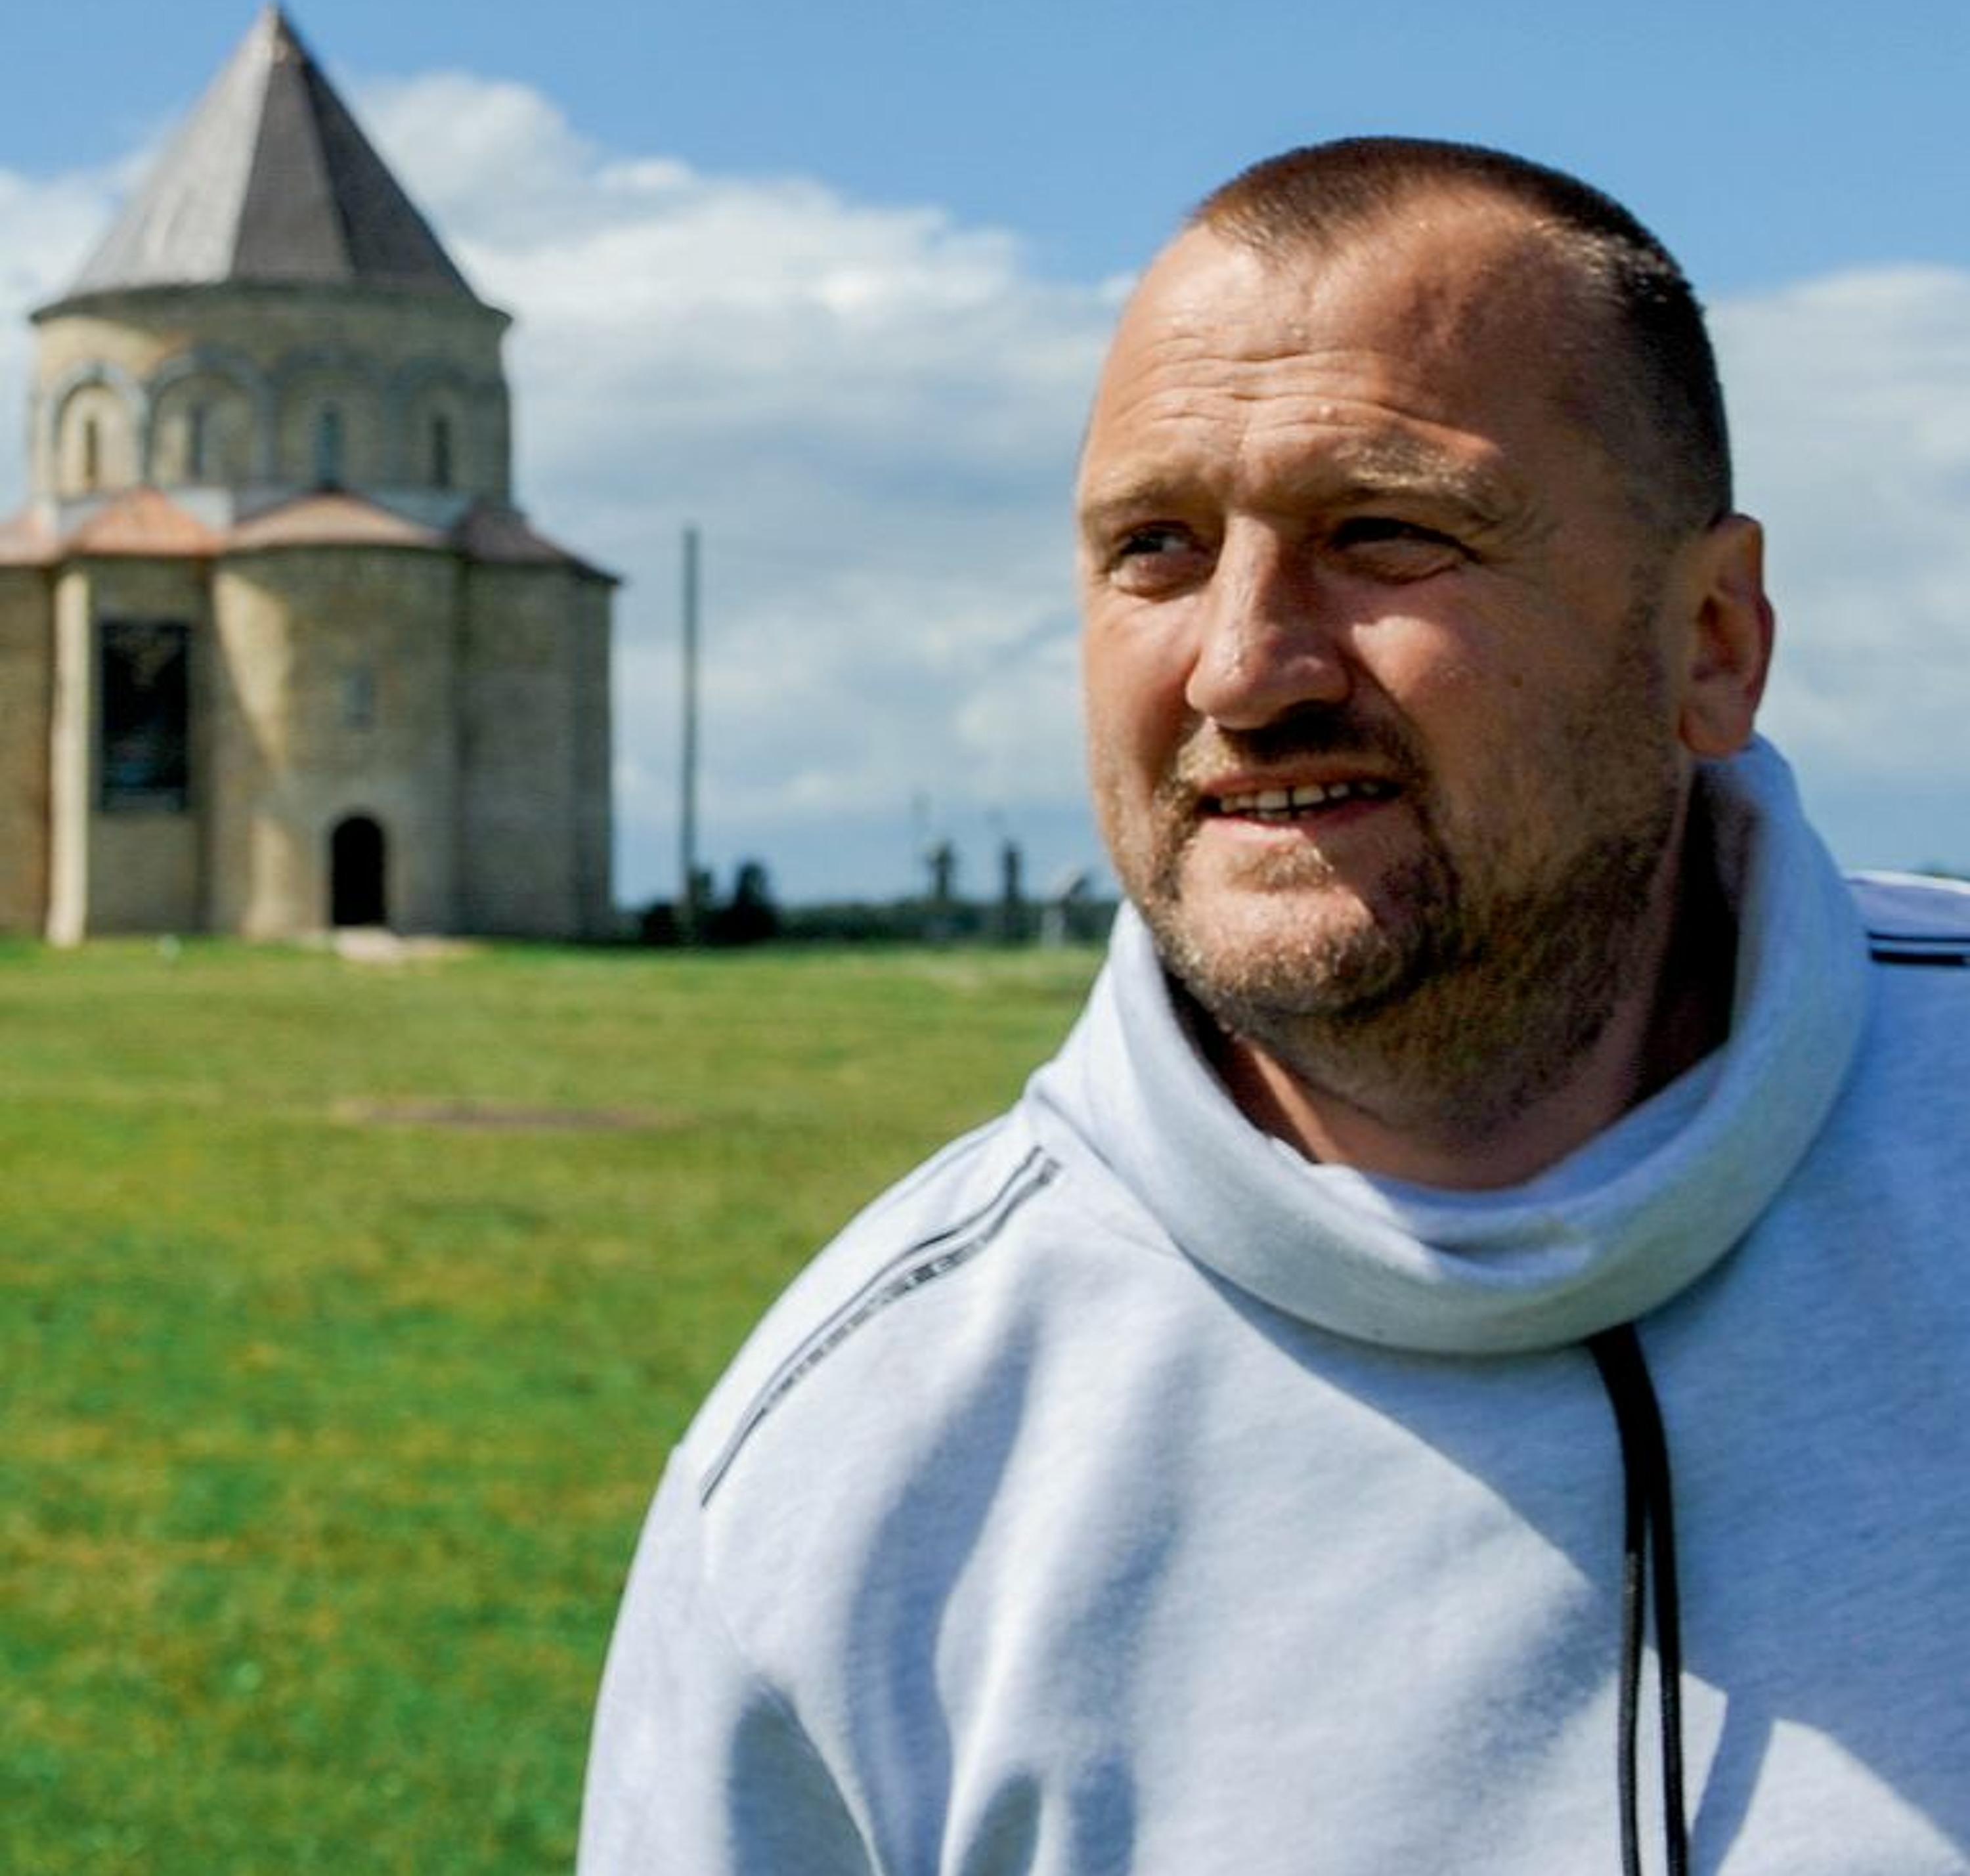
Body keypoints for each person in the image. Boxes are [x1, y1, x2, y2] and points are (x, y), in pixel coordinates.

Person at [579, 139, 1970, 1874]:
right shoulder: (854, 1473)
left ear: (1711, 638)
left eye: (1384, 532)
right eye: (1154, 549)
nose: (1243, 667)